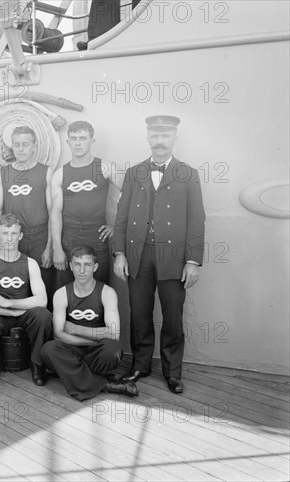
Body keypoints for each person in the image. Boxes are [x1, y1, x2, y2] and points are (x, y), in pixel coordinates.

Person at [113, 115, 206, 394]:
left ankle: (172, 372)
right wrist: (120, 253)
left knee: (173, 316)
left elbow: (196, 219)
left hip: (174, 258)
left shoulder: (188, 173)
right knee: (139, 313)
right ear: (148, 138)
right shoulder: (134, 173)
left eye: (165, 135)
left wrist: (192, 260)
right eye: (155, 135)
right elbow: (122, 216)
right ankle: (140, 365)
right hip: (138, 255)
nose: (160, 141)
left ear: (174, 138)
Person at [41, 246, 138, 401]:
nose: (82, 270)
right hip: (73, 349)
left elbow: (113, 334)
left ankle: (71, 373)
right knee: (48, 349)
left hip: (97, 352)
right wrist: (92, 339)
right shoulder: (61, 294)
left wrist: (75, 329)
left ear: (95, 267)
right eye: (77, 264)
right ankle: (108, 384)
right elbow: (59, 336)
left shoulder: (107, 293)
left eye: (87, 265)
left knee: (113, 349)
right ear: (71, 266)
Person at [0, 213, 53, 387]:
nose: (9, 239)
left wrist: (10, 303)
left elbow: (42, 300)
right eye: (5, 233)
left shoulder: (30, 263)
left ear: (21, 235)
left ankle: (37, 364)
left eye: (14, 233)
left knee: (43, 315)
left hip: (22, 314)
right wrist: (6, 310)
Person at [51, 120, 118, 290]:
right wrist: (57, 248)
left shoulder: (105, 167)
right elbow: (56, 213)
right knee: (66, 289)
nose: (78, 143)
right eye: (74, 138)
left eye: (83, 138)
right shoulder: (60, 174)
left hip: (97, 235)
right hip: (70, 237)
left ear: (92, 141)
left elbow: (131, 195)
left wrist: (115, 225)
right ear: (68, 142)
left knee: (99, 288)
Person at [0, 125, 54, 302]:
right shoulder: (3, 173)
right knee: (15, 284)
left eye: (25, 144)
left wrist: (49, 246)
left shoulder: (46, 172)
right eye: (16, 144)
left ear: (34, 146)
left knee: (42, 284)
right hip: (11, 237)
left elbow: (52, 213)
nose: (20, 149)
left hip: (39, 237)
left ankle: (43, 327)